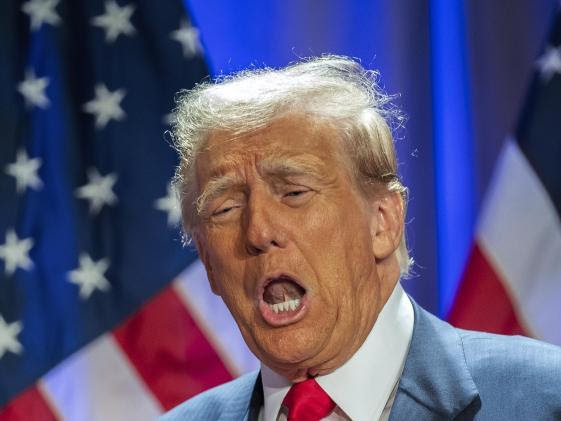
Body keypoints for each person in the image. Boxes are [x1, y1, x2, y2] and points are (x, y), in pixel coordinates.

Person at [160, 56, 561, 421]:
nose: (259, 232)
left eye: (294, 193)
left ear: (383, 223)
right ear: (208, 263)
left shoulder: (543, 400)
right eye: (225, 209)